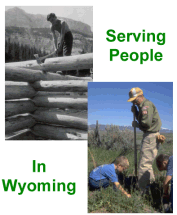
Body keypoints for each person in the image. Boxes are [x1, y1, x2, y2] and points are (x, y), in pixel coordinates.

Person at [127, 87, 162, 192]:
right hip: (149, 136)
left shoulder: (146, 106)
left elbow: (146, 123)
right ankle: (151, 185)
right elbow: (144, 120)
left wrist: (137, 125)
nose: (134, 102)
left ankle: (141, 190)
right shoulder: (142, 107)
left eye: (134, 100)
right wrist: (136, 113)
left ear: (140, 96)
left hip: (150, 136)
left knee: (144, 164)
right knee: (147, 162)